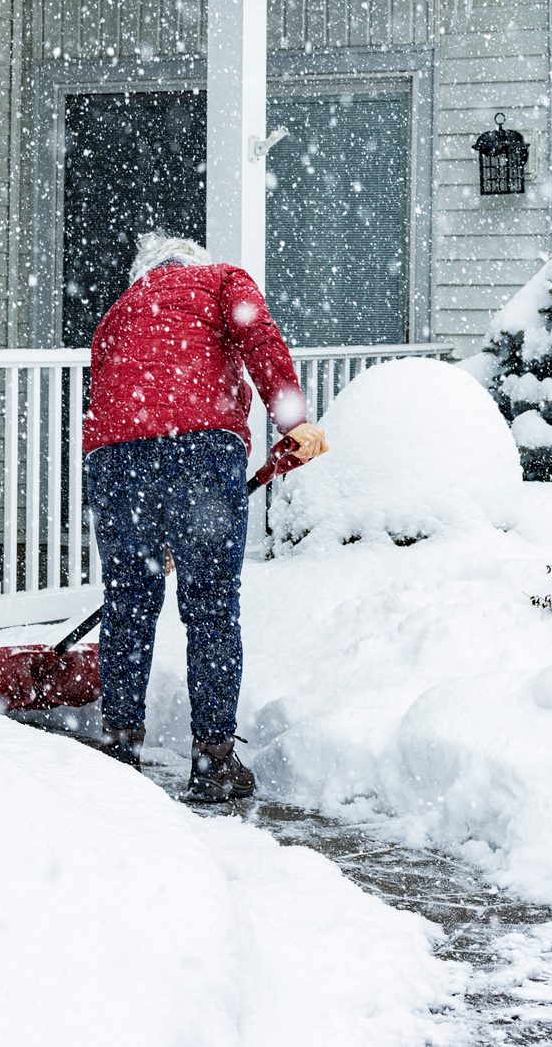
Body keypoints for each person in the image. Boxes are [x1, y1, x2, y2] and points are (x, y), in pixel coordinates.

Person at [81, 232, 327, 802]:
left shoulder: (119, 310)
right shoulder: (220, 281)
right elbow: (260, 339)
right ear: (192, 262)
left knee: (129, 603)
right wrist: (293, 423)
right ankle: (214, 762)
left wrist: (146, 508)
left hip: (116, 462)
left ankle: (119, 747)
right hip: (200, 453)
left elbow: (112, 396)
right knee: (211, 606)